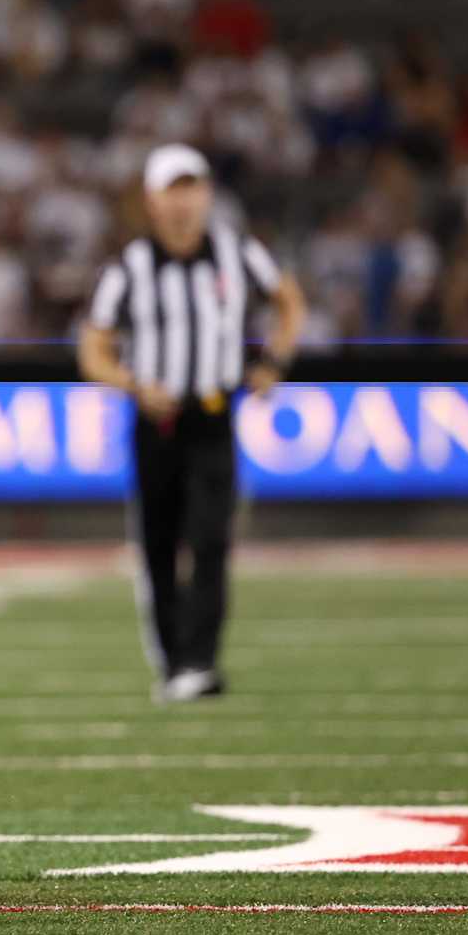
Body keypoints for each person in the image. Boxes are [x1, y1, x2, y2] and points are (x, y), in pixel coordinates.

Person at [77, 144, 307, 703]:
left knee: (210, 538)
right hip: (156, 422)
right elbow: (93, 349)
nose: (184, 200)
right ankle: (175, 660)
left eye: (193, 186)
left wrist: (273, 361)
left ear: (207, 193)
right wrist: (134, 385)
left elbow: (289, 301)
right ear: (152, 201)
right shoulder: (130, 267)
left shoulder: (237, 252)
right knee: (159, 544)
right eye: (172, 189)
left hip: (212, 414)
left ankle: (200, 663)